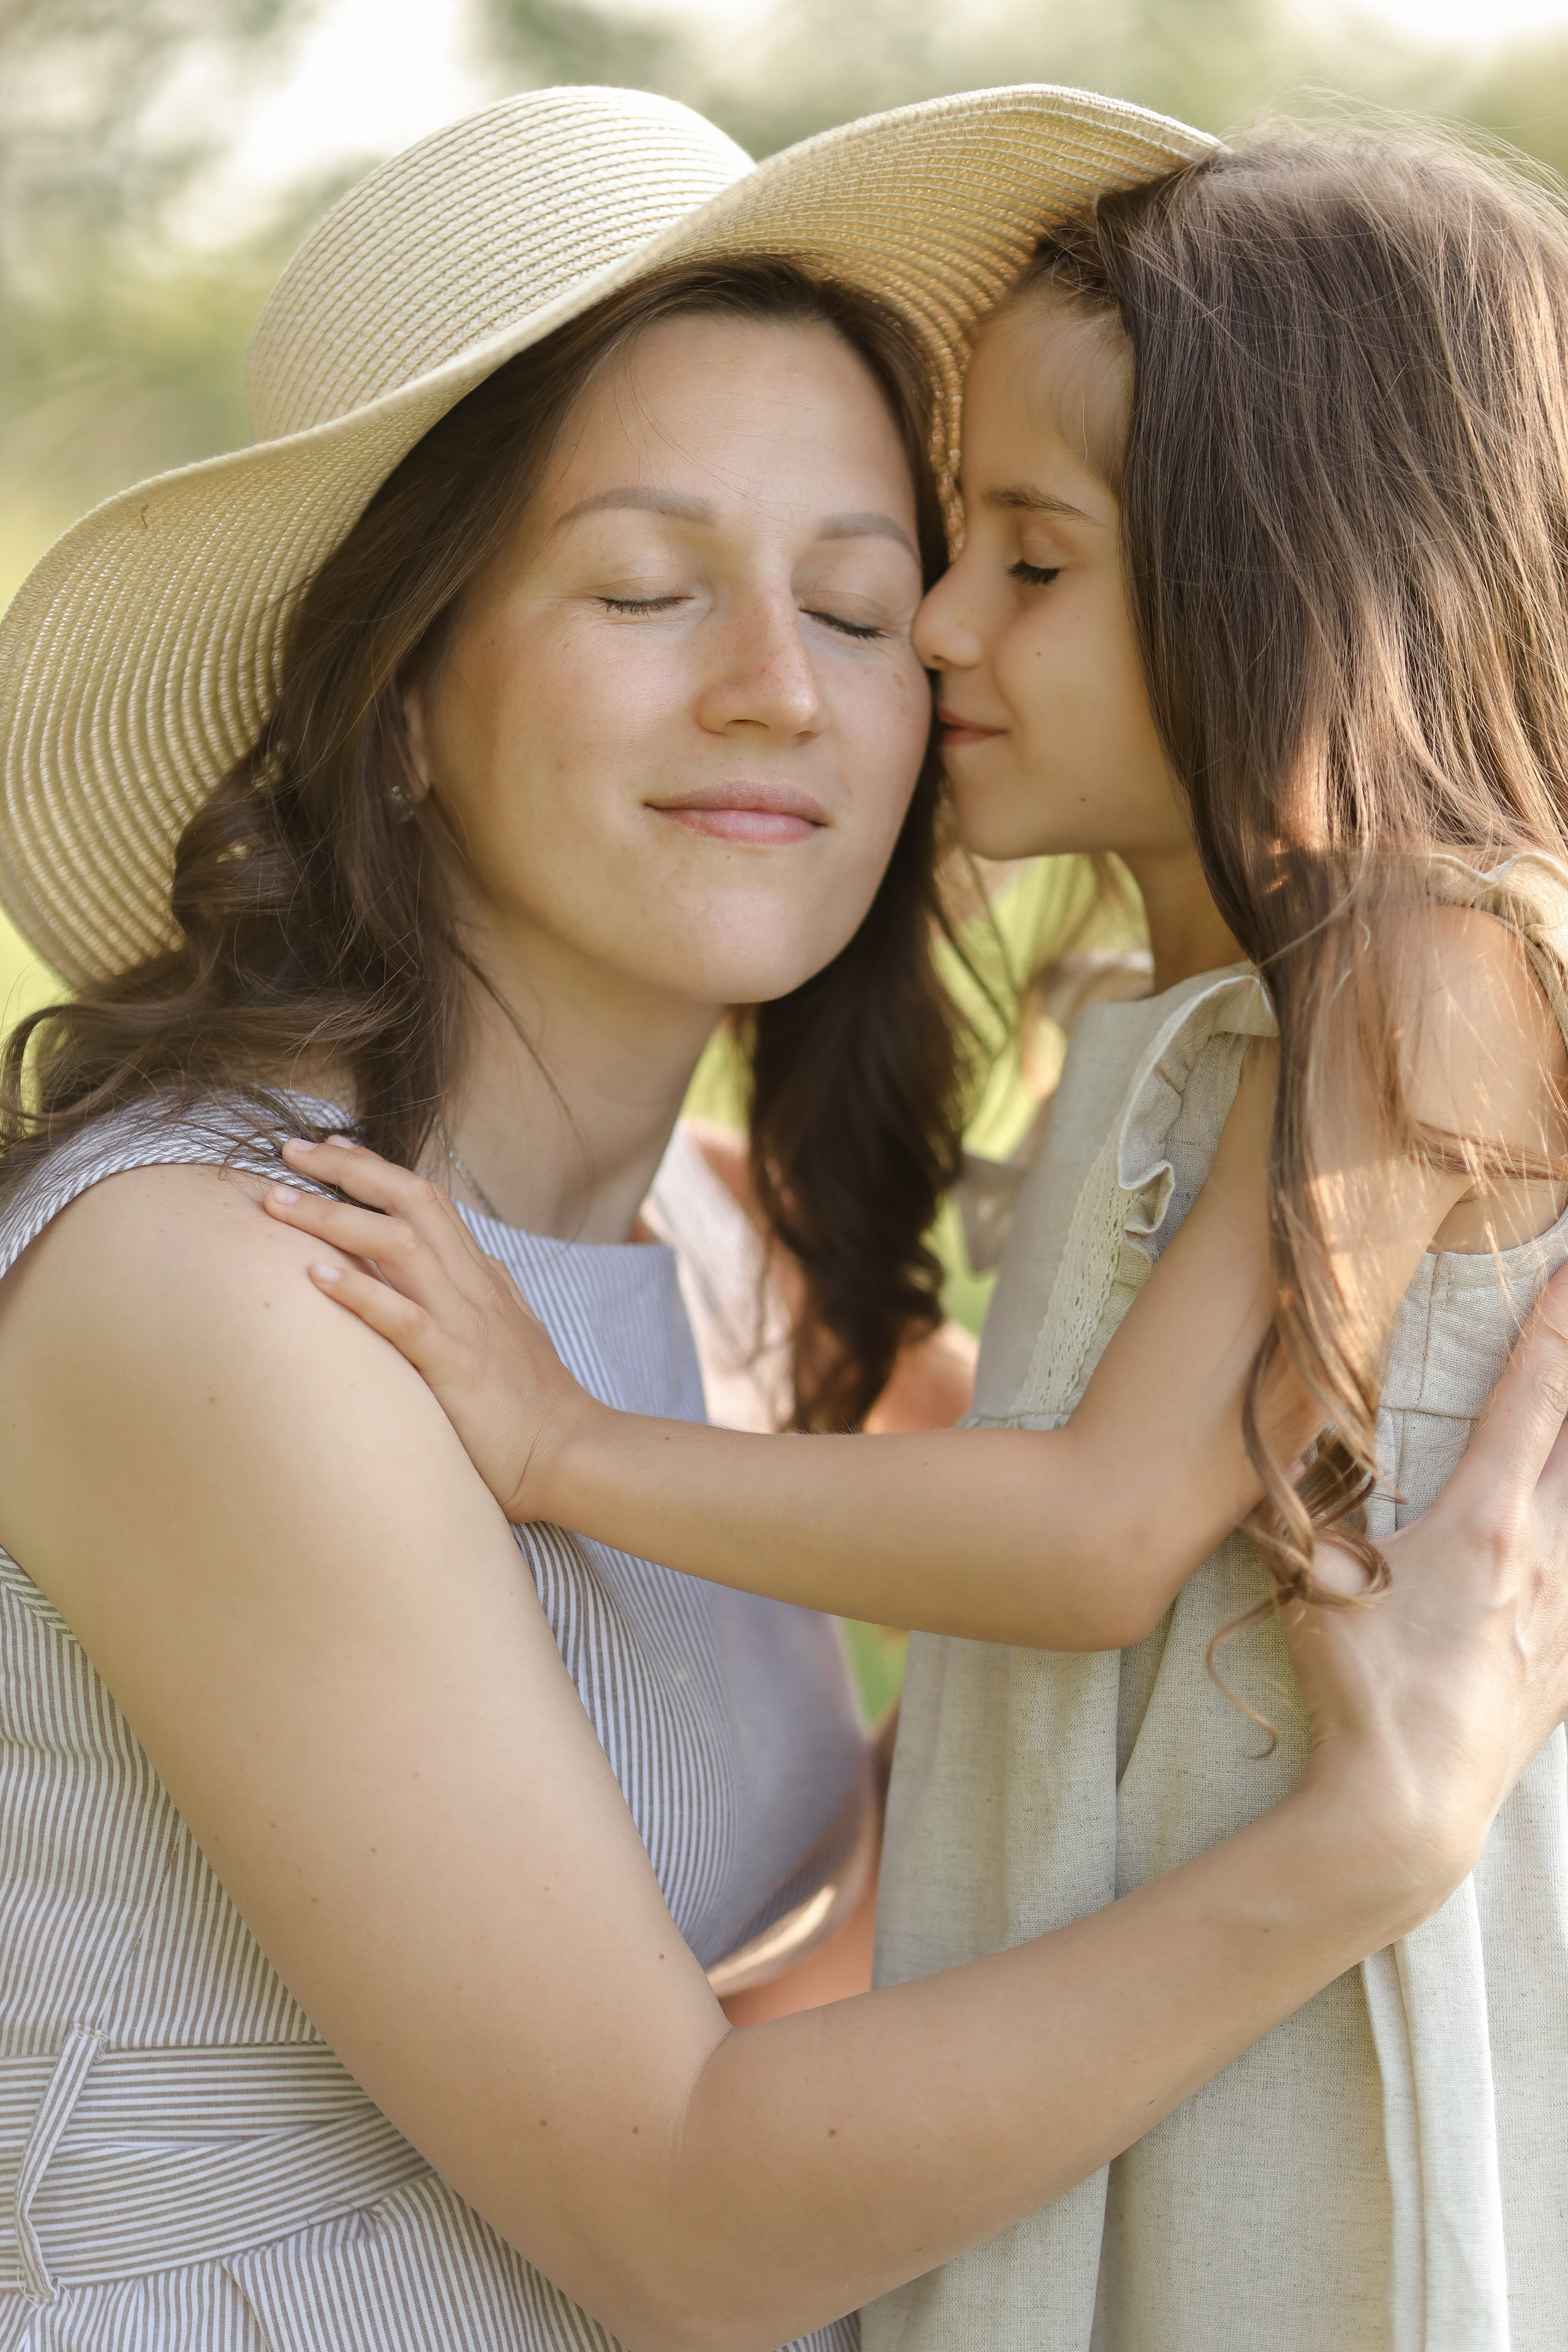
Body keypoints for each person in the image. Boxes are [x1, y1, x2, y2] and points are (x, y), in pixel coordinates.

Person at [1, 81, 1566, 2352]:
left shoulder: (727, 1263)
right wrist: (1357, 1849)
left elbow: (946, 1793)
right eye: (646, 589)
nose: (796, 683)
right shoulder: (233, 1284)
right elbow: (688, 2219)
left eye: (863, 598)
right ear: (401, 701)